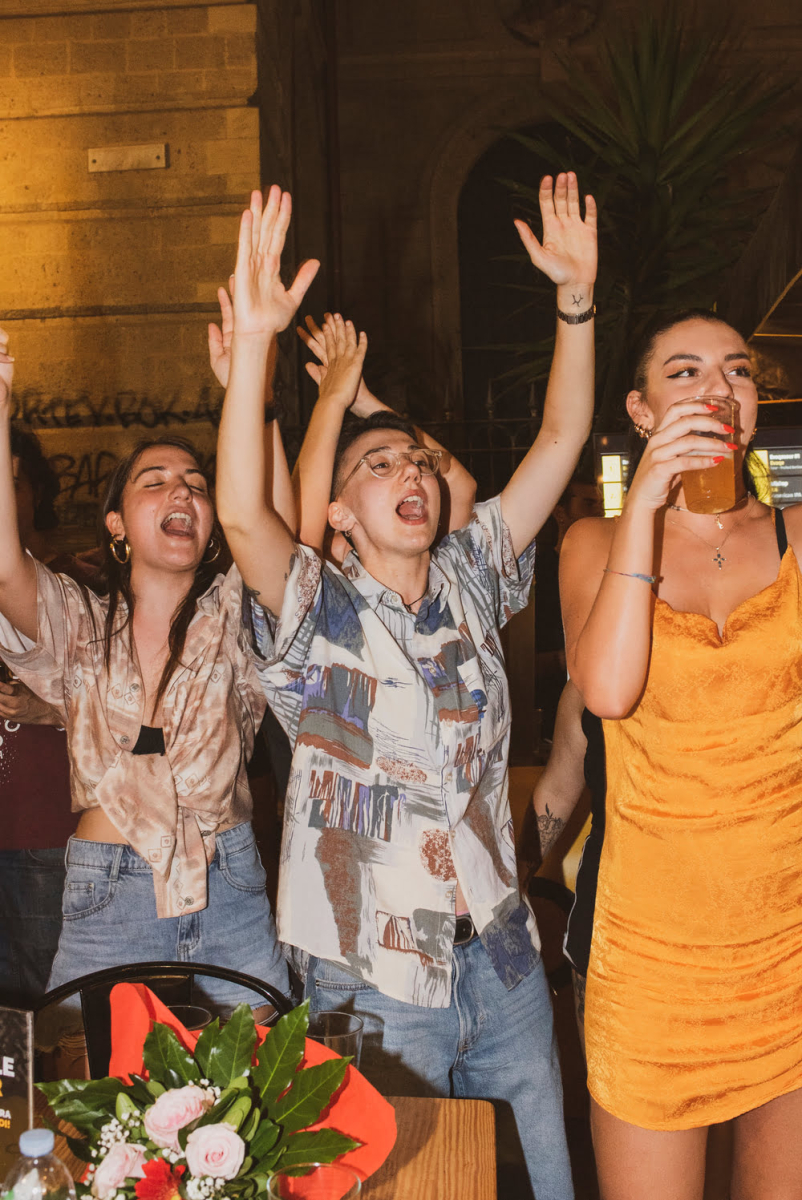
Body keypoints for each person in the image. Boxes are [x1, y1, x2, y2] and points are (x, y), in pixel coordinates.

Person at [216, 175, 596, 1200]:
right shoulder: (314, 613)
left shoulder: (472, 578)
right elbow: (244, 513)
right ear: (339, 515)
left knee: (547, 1184)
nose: (412, 471)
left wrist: (574, 300)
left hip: (502, 957)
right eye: (380, 464)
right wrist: (253, 344)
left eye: (418, 460)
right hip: (371, 986)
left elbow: (560, 441)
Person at [560, 308, 802, 1200]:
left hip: (788, 942)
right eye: (685, 372)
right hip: (652, 958)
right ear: (641, 410)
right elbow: (609, 691)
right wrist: (646, 505)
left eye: (736, 371)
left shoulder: (798, 534)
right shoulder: (594, 543)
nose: (717, 390)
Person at [0, 327, 291, 1020]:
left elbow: (277, 525)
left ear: (213, 525)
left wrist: (254, 391)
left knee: (265, 1076)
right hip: (109, 894)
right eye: (154, 482)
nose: (180, 491)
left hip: (230, 885)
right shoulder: (79, 621)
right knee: (99, 1077)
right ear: (117, 524)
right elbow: (6, 569)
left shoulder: (235, 615)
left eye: (196, 485)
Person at [0, 427, 98, 1006]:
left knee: (48, 1006)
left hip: (43, 831)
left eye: (14, 479)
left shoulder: (76, 583)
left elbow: (132, 710)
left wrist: (52, 709)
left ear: (36, 491)